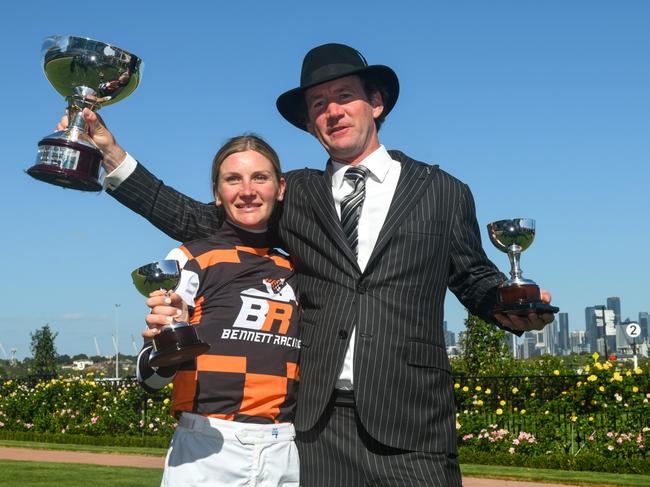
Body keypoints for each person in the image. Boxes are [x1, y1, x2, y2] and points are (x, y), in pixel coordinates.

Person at [60, 43, 554, 486]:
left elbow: (473, 275)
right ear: (309, 123)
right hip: (317, 426)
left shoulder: (443, 191)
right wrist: (110, 153)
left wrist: (506, 304)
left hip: (412, 421)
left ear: (376, 103)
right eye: (318, 105)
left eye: (343, 96)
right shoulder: (294, 194)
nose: (332, 111)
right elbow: (195, 217)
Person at [137, 135, 300, 486]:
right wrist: (165, 343)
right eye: (233, 179)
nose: (247, 190)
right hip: (206, 445)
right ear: (216, 192)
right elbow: (149, 380)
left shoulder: (297, 269)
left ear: (280, 187)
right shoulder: (189, 259)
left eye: (260, 177)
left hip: (285, 448)